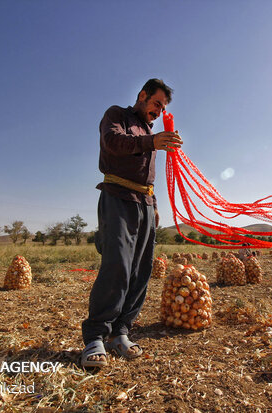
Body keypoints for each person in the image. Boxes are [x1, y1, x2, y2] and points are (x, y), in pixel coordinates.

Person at [81, 79, 183, 367]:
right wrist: (150, 142)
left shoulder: (151, 132)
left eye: (163, 108)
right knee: (117, 265)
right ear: (142, 96)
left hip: (145, 205)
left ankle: (121, 331)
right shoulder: (117, 116)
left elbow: (147, 177)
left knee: (140, 269)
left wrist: (155, 206)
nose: (158, 111)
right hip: (118, 197)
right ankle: (95, 337)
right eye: (156, 104)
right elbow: (113, 143)